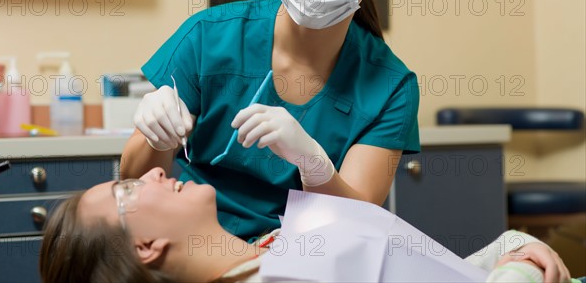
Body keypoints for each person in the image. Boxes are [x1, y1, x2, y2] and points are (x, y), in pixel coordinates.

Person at [121, 0, 421, 239]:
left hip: (295, 254)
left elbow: (357, 224)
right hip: (187, 238)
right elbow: (133, 182)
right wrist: (156, 140)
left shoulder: (390, 85)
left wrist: (314, 164)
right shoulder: (210, 36)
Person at [39, 167, 576, 283]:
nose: (152, 171)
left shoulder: (267, 253)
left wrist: (510, 246)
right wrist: (521, 265)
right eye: (127, 191)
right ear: (148, 246)